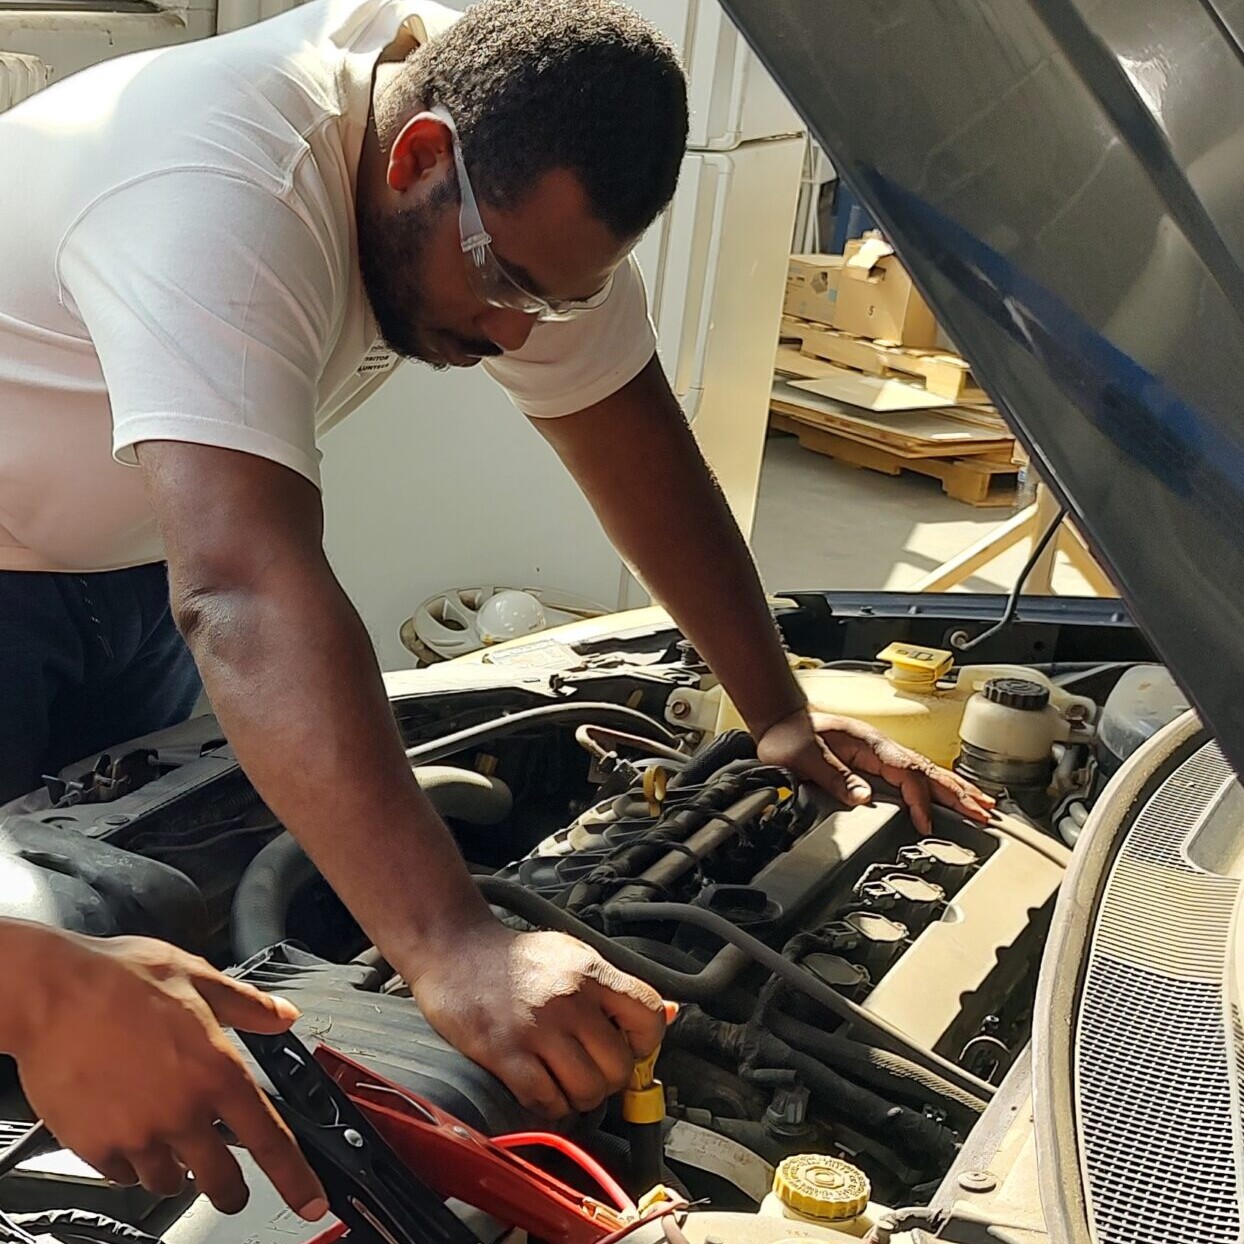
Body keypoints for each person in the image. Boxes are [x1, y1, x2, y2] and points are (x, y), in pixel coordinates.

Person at [0, 0, 994, 1212]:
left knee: (130, 900)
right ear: (416, 155)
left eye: (561, 302)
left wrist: (776, 711)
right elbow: (247, 585)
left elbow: (637, 447)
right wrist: (451, 946)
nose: (521, 331)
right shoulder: (218, 178)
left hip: (120, 560)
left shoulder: (517, 186)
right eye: (508, 284)